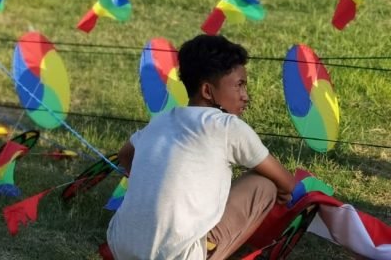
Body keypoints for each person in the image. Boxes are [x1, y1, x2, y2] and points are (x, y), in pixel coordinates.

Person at [106, 34, 296, 260]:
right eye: (239, 85)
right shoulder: (227, 126)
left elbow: (125, 154)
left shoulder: (161, 120)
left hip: (120, 246)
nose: (246, 96)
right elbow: (286, 182)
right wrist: (282, 200)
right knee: (264, 184)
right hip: (178, 256)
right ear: (208, 91)